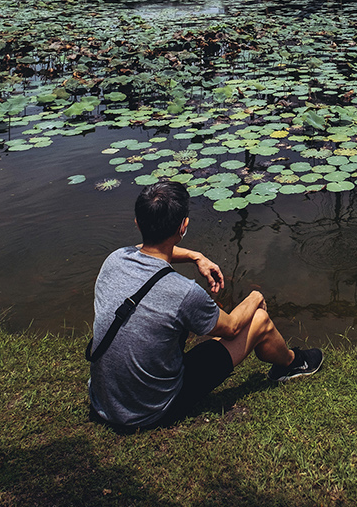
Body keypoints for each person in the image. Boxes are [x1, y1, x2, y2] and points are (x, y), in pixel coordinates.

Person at [88, 180, 322, 431]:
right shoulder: (183, 292)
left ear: (137, 222)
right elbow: (231, 327)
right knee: (259, 322)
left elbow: (143, 249)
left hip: (103, 401)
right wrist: (255, 297)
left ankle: (287, 360)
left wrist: (195, 256)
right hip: (149, 411)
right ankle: (291, 363)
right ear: (184, 227)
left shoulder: (114, 260)